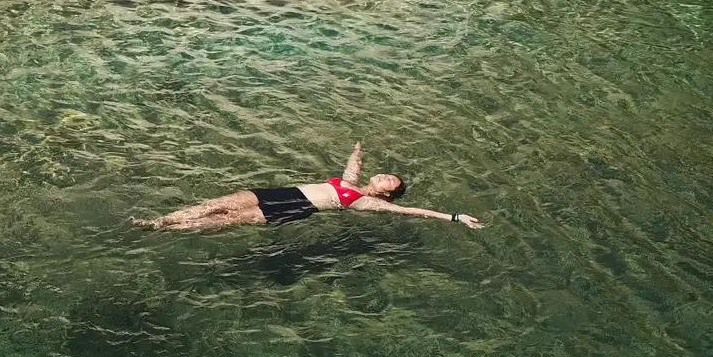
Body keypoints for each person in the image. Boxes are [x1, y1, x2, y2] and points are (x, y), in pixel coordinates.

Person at [132, 143, 482, 232]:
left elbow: (410, 211)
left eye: (391, 181)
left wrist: (453, 217)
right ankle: (160, 221)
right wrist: (359, 146)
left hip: (296, 209)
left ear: (386, 193)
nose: (387, 176)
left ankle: (172, 229)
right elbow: (353, 165)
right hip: (285, 192)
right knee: (221, 202)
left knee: (224, 220)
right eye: (388, 173)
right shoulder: (350, 182)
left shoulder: (365, 202)